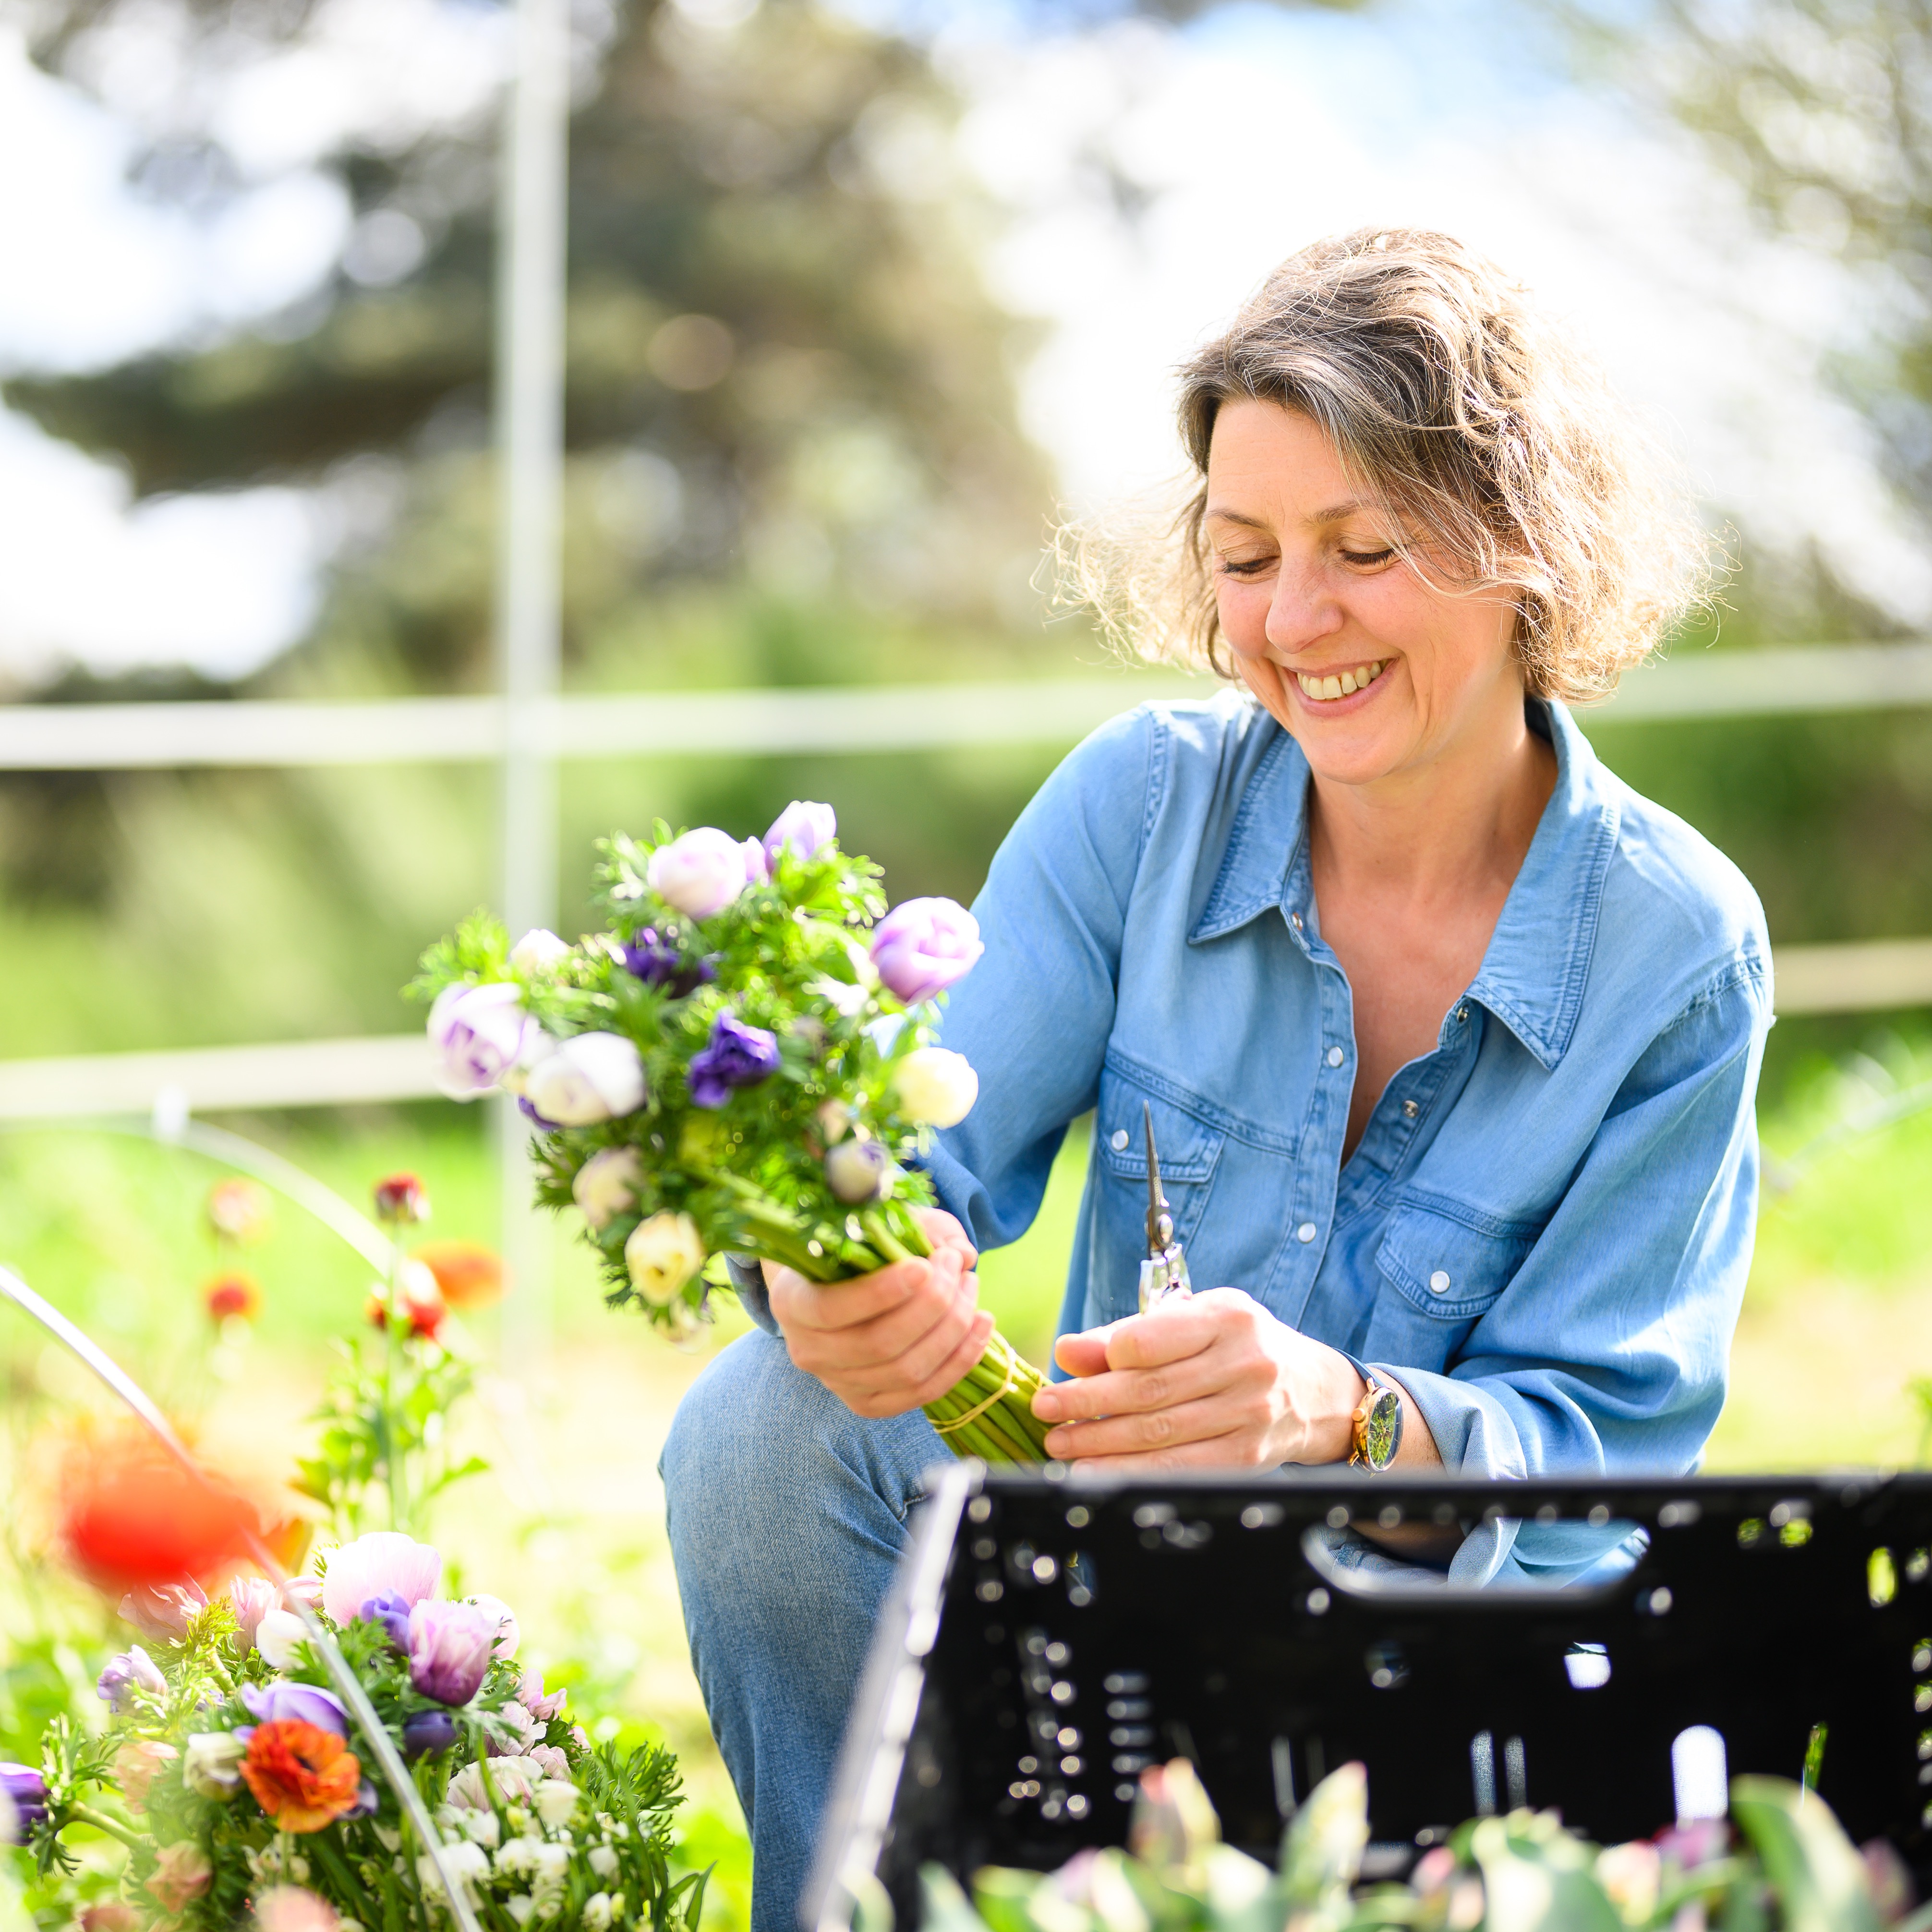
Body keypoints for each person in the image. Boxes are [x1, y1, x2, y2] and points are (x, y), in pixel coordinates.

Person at [661, 228, 1772, 1930]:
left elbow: (1601, 1478)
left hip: (1452, 1693)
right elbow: (909, 1162)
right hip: (1110, 1604)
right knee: (766, 1424)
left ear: (1525, 547)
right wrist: (839, 1273)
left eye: (1365, 548)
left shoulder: (1675, 947)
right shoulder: (1143, 809)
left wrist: (1343, 1414)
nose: (1294, 621)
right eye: (1246, 556)